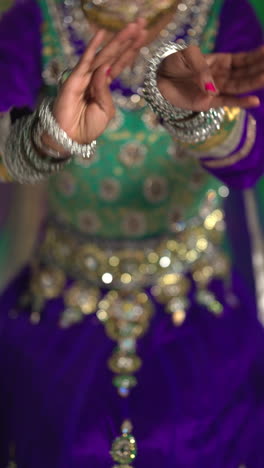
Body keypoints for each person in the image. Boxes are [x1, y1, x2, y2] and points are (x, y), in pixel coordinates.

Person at [0, 0, 264, 467]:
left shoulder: (225, 15)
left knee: (196, 432)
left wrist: (194, 116)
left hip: (195, 299)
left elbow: (249, 162)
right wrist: (47, 138)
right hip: (60, 298)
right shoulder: (36, 18)